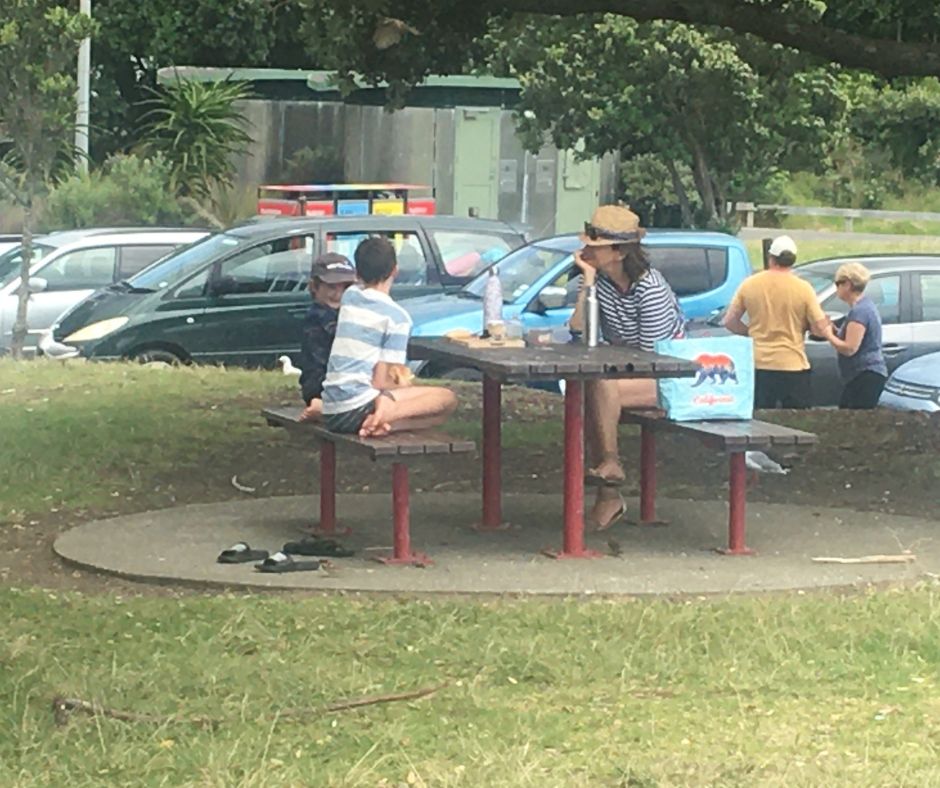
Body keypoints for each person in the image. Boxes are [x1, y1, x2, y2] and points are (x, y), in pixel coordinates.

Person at [571, 205, 685, 531]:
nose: (587, 250)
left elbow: (655, 359)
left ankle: (610, 468)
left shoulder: (650, 289)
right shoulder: (603, 283)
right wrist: (588, 281)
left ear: (619, 252)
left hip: (670, 378)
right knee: (592, 387)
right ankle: (608, 487)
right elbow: (578, 327)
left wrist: (610, 369)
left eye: (597, 246)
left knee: (598, 386)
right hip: (625, 374)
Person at [321, 237, 457, 437]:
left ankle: (379, 424)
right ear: (395, 270)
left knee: (434, 415)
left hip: (332, 409)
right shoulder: (397, 318)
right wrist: (405, 386)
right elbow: (382, 380)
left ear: (357, 273)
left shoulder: (350, 296)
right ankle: (385, 415)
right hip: (359, 404)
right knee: (447, 400)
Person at [723, 235, 830, 409]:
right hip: (793, 365)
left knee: (760, 423)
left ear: (770, 258)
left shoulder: (749, 284)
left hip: (759, 365)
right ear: (792, 261)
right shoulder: (804, 288)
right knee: (797, 425)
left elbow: (729, 321)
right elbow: (819, 328)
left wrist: (751, 332)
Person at [297, 253, 358, 422]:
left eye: (345, 288)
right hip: (320, 386)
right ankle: (323, 407)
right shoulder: (317, 317)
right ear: (314, 287)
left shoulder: (346, 313)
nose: (338, 294)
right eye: (331, 287)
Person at [825, 262, 887, 409]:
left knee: (851, 417)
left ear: (848, 284)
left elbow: (850, 348)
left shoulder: (860, 311)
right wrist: (833, 330)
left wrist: (827, 335)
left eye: (837, 283)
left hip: (865, 375)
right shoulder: (863, 307)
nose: (836, 288)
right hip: (860, 376)